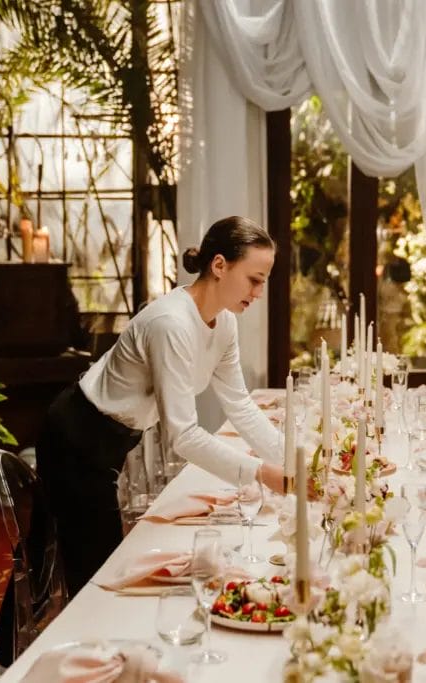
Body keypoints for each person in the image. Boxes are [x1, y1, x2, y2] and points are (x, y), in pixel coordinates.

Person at [39, 215, 286, 592]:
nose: (258, 293)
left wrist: (293, 460)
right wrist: (262, 473)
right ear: (219, 265)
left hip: (113, 437)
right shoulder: (171, 323)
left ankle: (6, 645)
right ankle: (33, 644)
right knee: (95, 573)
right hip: (77, 433)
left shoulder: (224, 323)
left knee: (59, 549)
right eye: (254, 280)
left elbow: (240, 404)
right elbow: (183, 436)